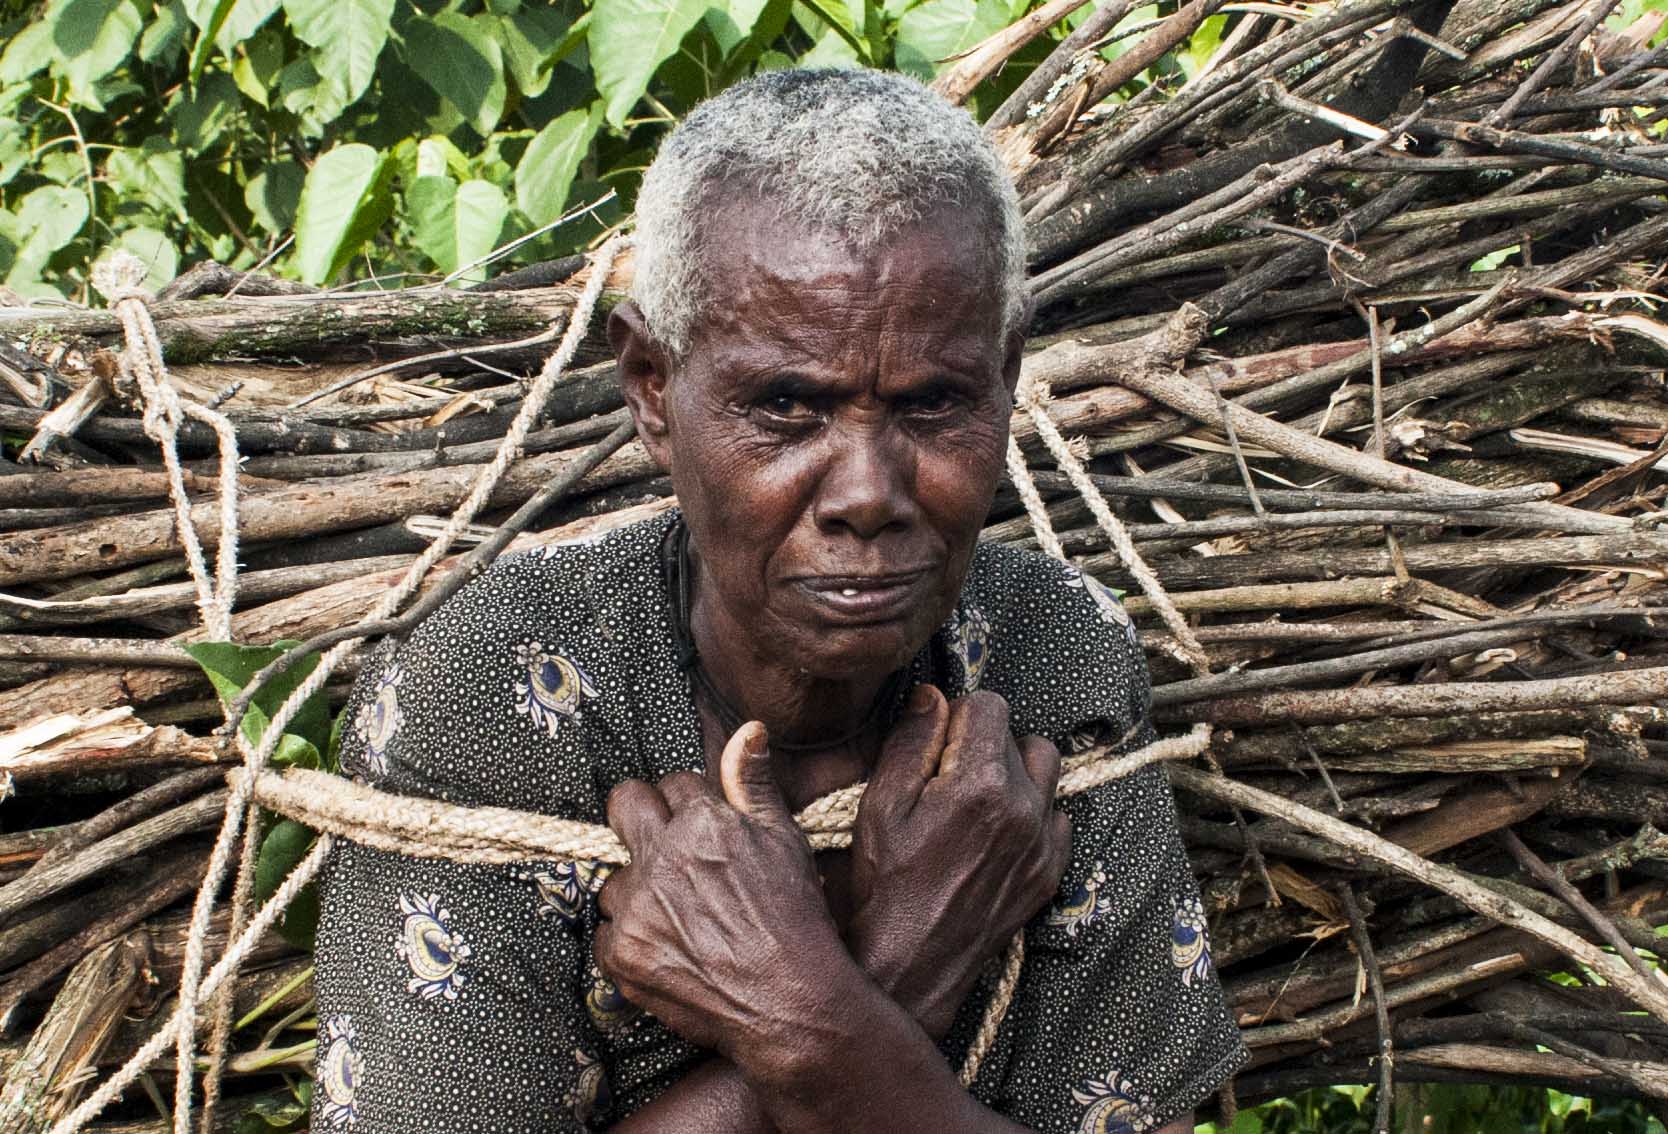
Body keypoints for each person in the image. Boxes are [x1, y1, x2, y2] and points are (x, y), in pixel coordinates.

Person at [311, 67, 1247, 1133]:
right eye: (787, 407)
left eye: (935, 402)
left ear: (1006, 375)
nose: (866, 494)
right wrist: (894, 975)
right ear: (653, 389)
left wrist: (806, 1019)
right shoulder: (497, 689)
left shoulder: (1048, 656)